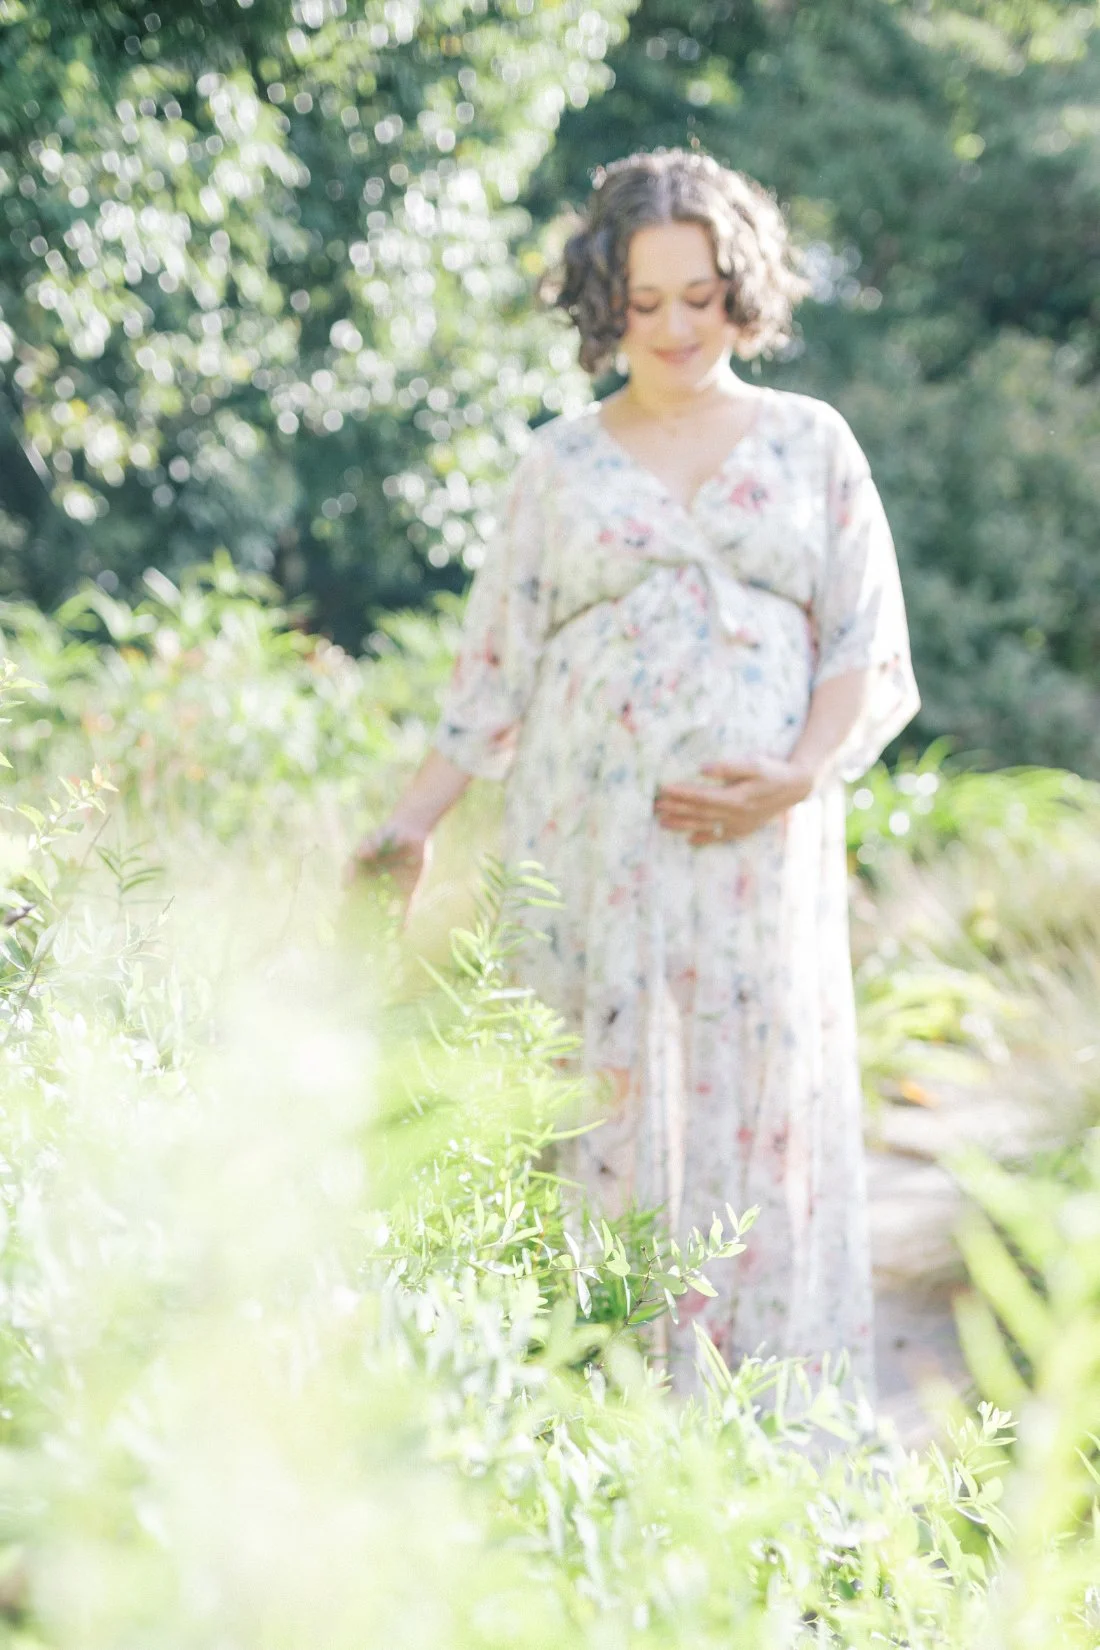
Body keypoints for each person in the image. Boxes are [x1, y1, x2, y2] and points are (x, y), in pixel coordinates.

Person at [352, 149, 919, 1395]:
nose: (671, 327)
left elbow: (862, 643)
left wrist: (797, 773)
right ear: (605, 302)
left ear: (743, 292)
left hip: (753, 857)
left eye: (699, 295)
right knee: (586, 1105)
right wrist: (407, 830)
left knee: (748, 1115)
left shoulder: (811, 444)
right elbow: (488, 678)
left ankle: (764, 1439)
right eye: (644, 300)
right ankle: (594, 1423)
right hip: (585, 859)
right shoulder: (556, 466)